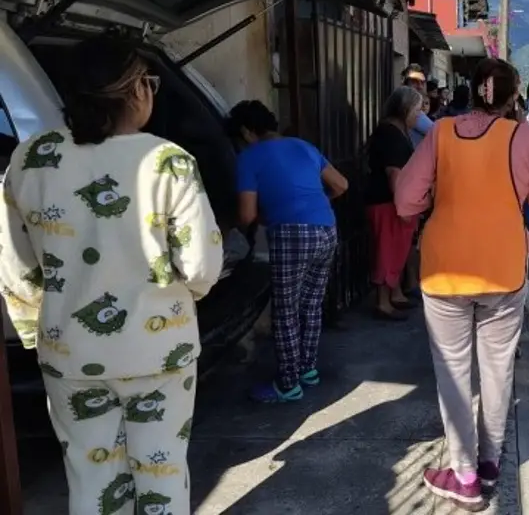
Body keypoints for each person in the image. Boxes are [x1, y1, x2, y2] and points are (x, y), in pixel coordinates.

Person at [0, 36, 223, 514]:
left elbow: (16, 262)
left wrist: (36, 327)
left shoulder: (32, 159)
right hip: (159, 351)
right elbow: (202, 269)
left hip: (69, 350)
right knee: (161, 474)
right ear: (136, 90)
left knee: (91, 476)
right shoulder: (169, 162)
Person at [395, 57, 529, 510]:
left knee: (453, 373)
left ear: (469, 89)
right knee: (498, 368)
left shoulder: (440, 133)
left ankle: (462, 475)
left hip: (445, 270)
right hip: (503, 271)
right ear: (511, 96)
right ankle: (489, 463)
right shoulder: (525, 135)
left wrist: (438, 196)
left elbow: (406, 201)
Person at [228, 100, 349, 403]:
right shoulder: (303, 146)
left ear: (245, 131)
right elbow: (341, 185)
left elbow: (245, 215)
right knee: (310, 304)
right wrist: (314, 204)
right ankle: (307, 369)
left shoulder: (248, 157)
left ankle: (288, 383)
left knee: (285, 310)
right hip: (326, 228)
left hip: (292, 233)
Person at [366, 86, 424, 321]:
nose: (419, 116)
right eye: (417, 110)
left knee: (395, 251)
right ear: (405, 109)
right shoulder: (390, 134)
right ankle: (382, 302)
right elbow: (394, 174)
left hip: (392, 202)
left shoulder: (396, 131)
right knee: (386, 252)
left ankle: (394, 295)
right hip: (387, 203)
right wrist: (403, 206)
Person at [403, 64, 435, 147]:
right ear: (405, 85)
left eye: (422, 82)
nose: (420, 86)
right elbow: (439, 134)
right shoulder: (411, 111)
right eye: (414, 82)